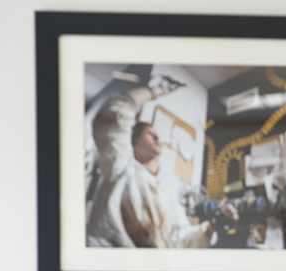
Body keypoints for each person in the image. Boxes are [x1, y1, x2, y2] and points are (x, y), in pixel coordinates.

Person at [87, 73, 236, 248]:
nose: (158, 137)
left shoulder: (166, 194)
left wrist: (213, 226)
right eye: (150, 133)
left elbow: (181, 238)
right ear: (132, 145)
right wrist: (157, 90)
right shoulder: (122, 167)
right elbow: (114, 112)